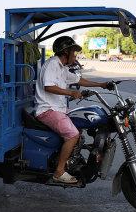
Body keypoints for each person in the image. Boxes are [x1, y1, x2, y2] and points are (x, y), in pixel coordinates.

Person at [35, 36, 111, 184]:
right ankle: (59, 171)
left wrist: (100, 84)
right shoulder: (52, 64)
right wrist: (71, 93)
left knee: (81, 122)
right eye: (73, 52)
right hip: (47, 110)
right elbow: (48, 87)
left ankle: (70, 157)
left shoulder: (62, 68)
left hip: (59, 109)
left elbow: (78, 80)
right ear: (65, 52)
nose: (75, 56)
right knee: (72, 135)